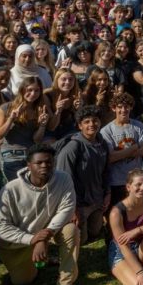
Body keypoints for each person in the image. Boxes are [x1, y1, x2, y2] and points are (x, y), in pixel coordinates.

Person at [0, 144, 83, 285]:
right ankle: (42, 259)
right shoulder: (10, 189)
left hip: (45, 232)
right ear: (28, 166)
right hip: (15, 243)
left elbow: (67, 209)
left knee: (71, 230)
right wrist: (32, 239)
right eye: (38, 163)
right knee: (23, 281)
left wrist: (44, 237)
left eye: (48, 162)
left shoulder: (63, 179)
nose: (44, 166)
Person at [54, 105, 110, 259]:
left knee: (95, 232)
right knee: (82, 238)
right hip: (80, 202)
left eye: (95, 120)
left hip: (97, 199)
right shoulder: (73, 146)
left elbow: (106, 172)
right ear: (80, 125)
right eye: (86, 122)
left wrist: (107, 194)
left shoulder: (102, 143)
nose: (92, 124)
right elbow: (63, 180)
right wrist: (73, 208)